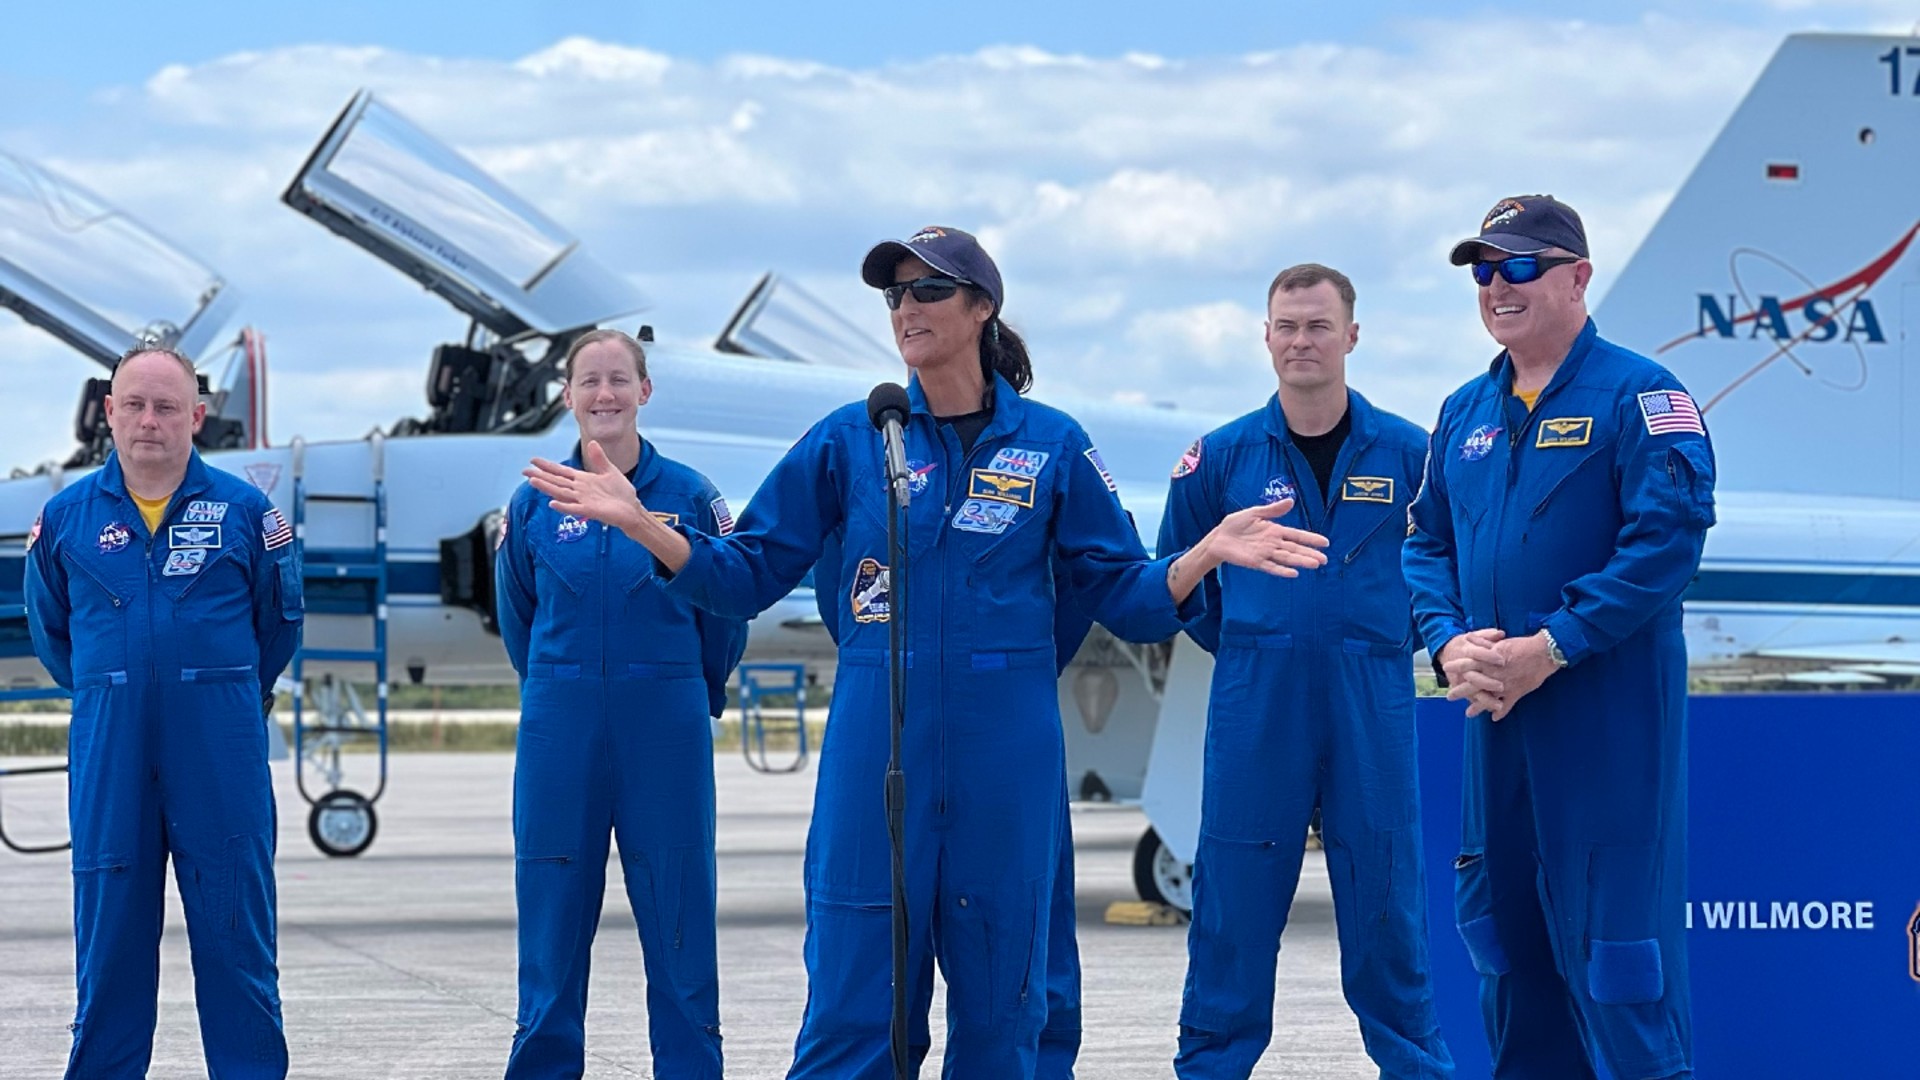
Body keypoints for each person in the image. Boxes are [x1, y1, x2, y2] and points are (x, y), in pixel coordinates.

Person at [523, 225, 1330, 1078]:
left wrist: (1200, 555)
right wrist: (644, 524)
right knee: (852, 994)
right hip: (879, 734)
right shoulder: (851, 439)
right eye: (896, 294)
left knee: (1004, 996)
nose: (907, 308)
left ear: (982, 308)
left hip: (1004, 742)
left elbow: (1124, 597)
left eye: (929, 290)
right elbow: (745, 573)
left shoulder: (1052, 443)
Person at [1403, 196, 1716, 1079]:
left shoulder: (1644, 397)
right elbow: (1426, 543)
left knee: (1622, 969)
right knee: (1505, 948)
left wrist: (1554, 646)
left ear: (1578, 276)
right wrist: (1448, 643)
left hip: (1605, 725)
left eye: (1521, 266)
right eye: (1484, 270)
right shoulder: (1463, 412)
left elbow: (1666, 545)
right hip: (1495, 722)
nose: (1498, 285)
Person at [1159, 263, 1453, 1079]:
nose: (1301, 341)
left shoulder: (1411, 455)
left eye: (1319, 325)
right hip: (1259, 708)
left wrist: (1393, 637)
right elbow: (1174, 579)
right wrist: (1259, 640)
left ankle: (1417, 1067)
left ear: (1351, 336)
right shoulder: (1218, 459)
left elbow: (1446, 569)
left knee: (1388, 910)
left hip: (1374, 704)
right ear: (1265, 337)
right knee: (1232, 915)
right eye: (1286, 325)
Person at [25, 345, 303, 1078]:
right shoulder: (63, 520)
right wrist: (114, 689)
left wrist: (218, 693)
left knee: (236, 944)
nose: (150, 421)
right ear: (109, 413)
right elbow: (55, 638)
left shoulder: (248, 515)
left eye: (167, 407)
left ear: (198, 418)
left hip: (219, 756)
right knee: (110, 949)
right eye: (135, 405)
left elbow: (279, 626)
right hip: (111, 754)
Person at [495, 329, 747, 1078]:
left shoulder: (692, 496)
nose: (603, 395)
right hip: (560, 725)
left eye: (618, 380)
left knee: (679, 922)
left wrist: (683, 687)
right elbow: (519, 615)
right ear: (567, 396)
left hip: (663, 724)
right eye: (588, 382)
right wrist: (557, 687)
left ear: (645, 391)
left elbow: (724, 613)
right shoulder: (535, 499)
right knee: (550, 922)